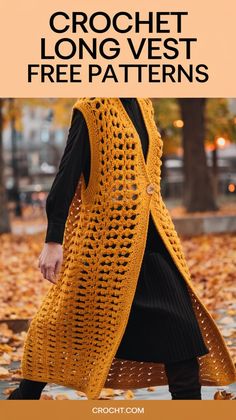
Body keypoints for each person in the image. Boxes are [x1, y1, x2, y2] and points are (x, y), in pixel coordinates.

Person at [7, 98, 236, 400]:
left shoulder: (145, 104)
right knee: (60, 333)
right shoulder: (93, 108)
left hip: (155, 245)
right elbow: (66, 175)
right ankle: (22, 402)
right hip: (107, 251)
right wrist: (53, 240)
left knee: (184, 343)